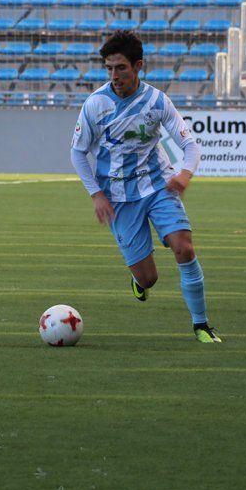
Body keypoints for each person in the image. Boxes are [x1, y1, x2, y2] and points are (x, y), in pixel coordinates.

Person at [70, 30, 221, 343]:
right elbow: (77, 152)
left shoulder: (156, 100)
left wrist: (184, 174)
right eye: (109, 68)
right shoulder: (96, 104)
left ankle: (201, 325)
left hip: (157, 187)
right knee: (148, 278)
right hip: (118, 197)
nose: (114, 76)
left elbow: (189, 145)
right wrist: (96, 194)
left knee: (184, 247)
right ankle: (139, 281)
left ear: (138, 66)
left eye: (121, 68)